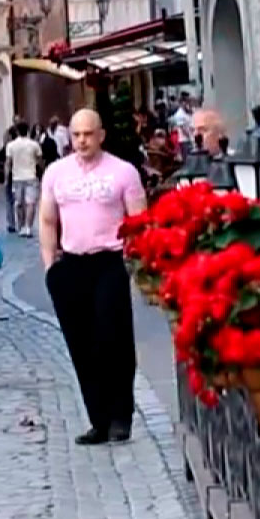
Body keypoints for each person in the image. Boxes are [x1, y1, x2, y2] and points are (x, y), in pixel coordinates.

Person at [39, 109, 148, 445]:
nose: (82, 140)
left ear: (101, 135)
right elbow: (47, 219)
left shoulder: (123, 172)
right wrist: (49, 267)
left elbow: (140, 222)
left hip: (109, 261)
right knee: (81, 344)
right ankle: (98, 419)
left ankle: (120, 416)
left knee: (113, 340)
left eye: (88, 134)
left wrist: (135, 263)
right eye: (76, 135)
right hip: (71, 263)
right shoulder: (56, 173)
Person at [5, 121, 43, 238]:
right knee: (30, 203)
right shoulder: (34, 144)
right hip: (31, 175)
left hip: (17, 177)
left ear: (16, 131)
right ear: (27, 130)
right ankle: (28, 227)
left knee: (19, 203)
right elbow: (40, 160)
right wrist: (42, 171)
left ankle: (21, 226)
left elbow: (8, 163)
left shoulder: (11, 146)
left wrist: (7, 178)